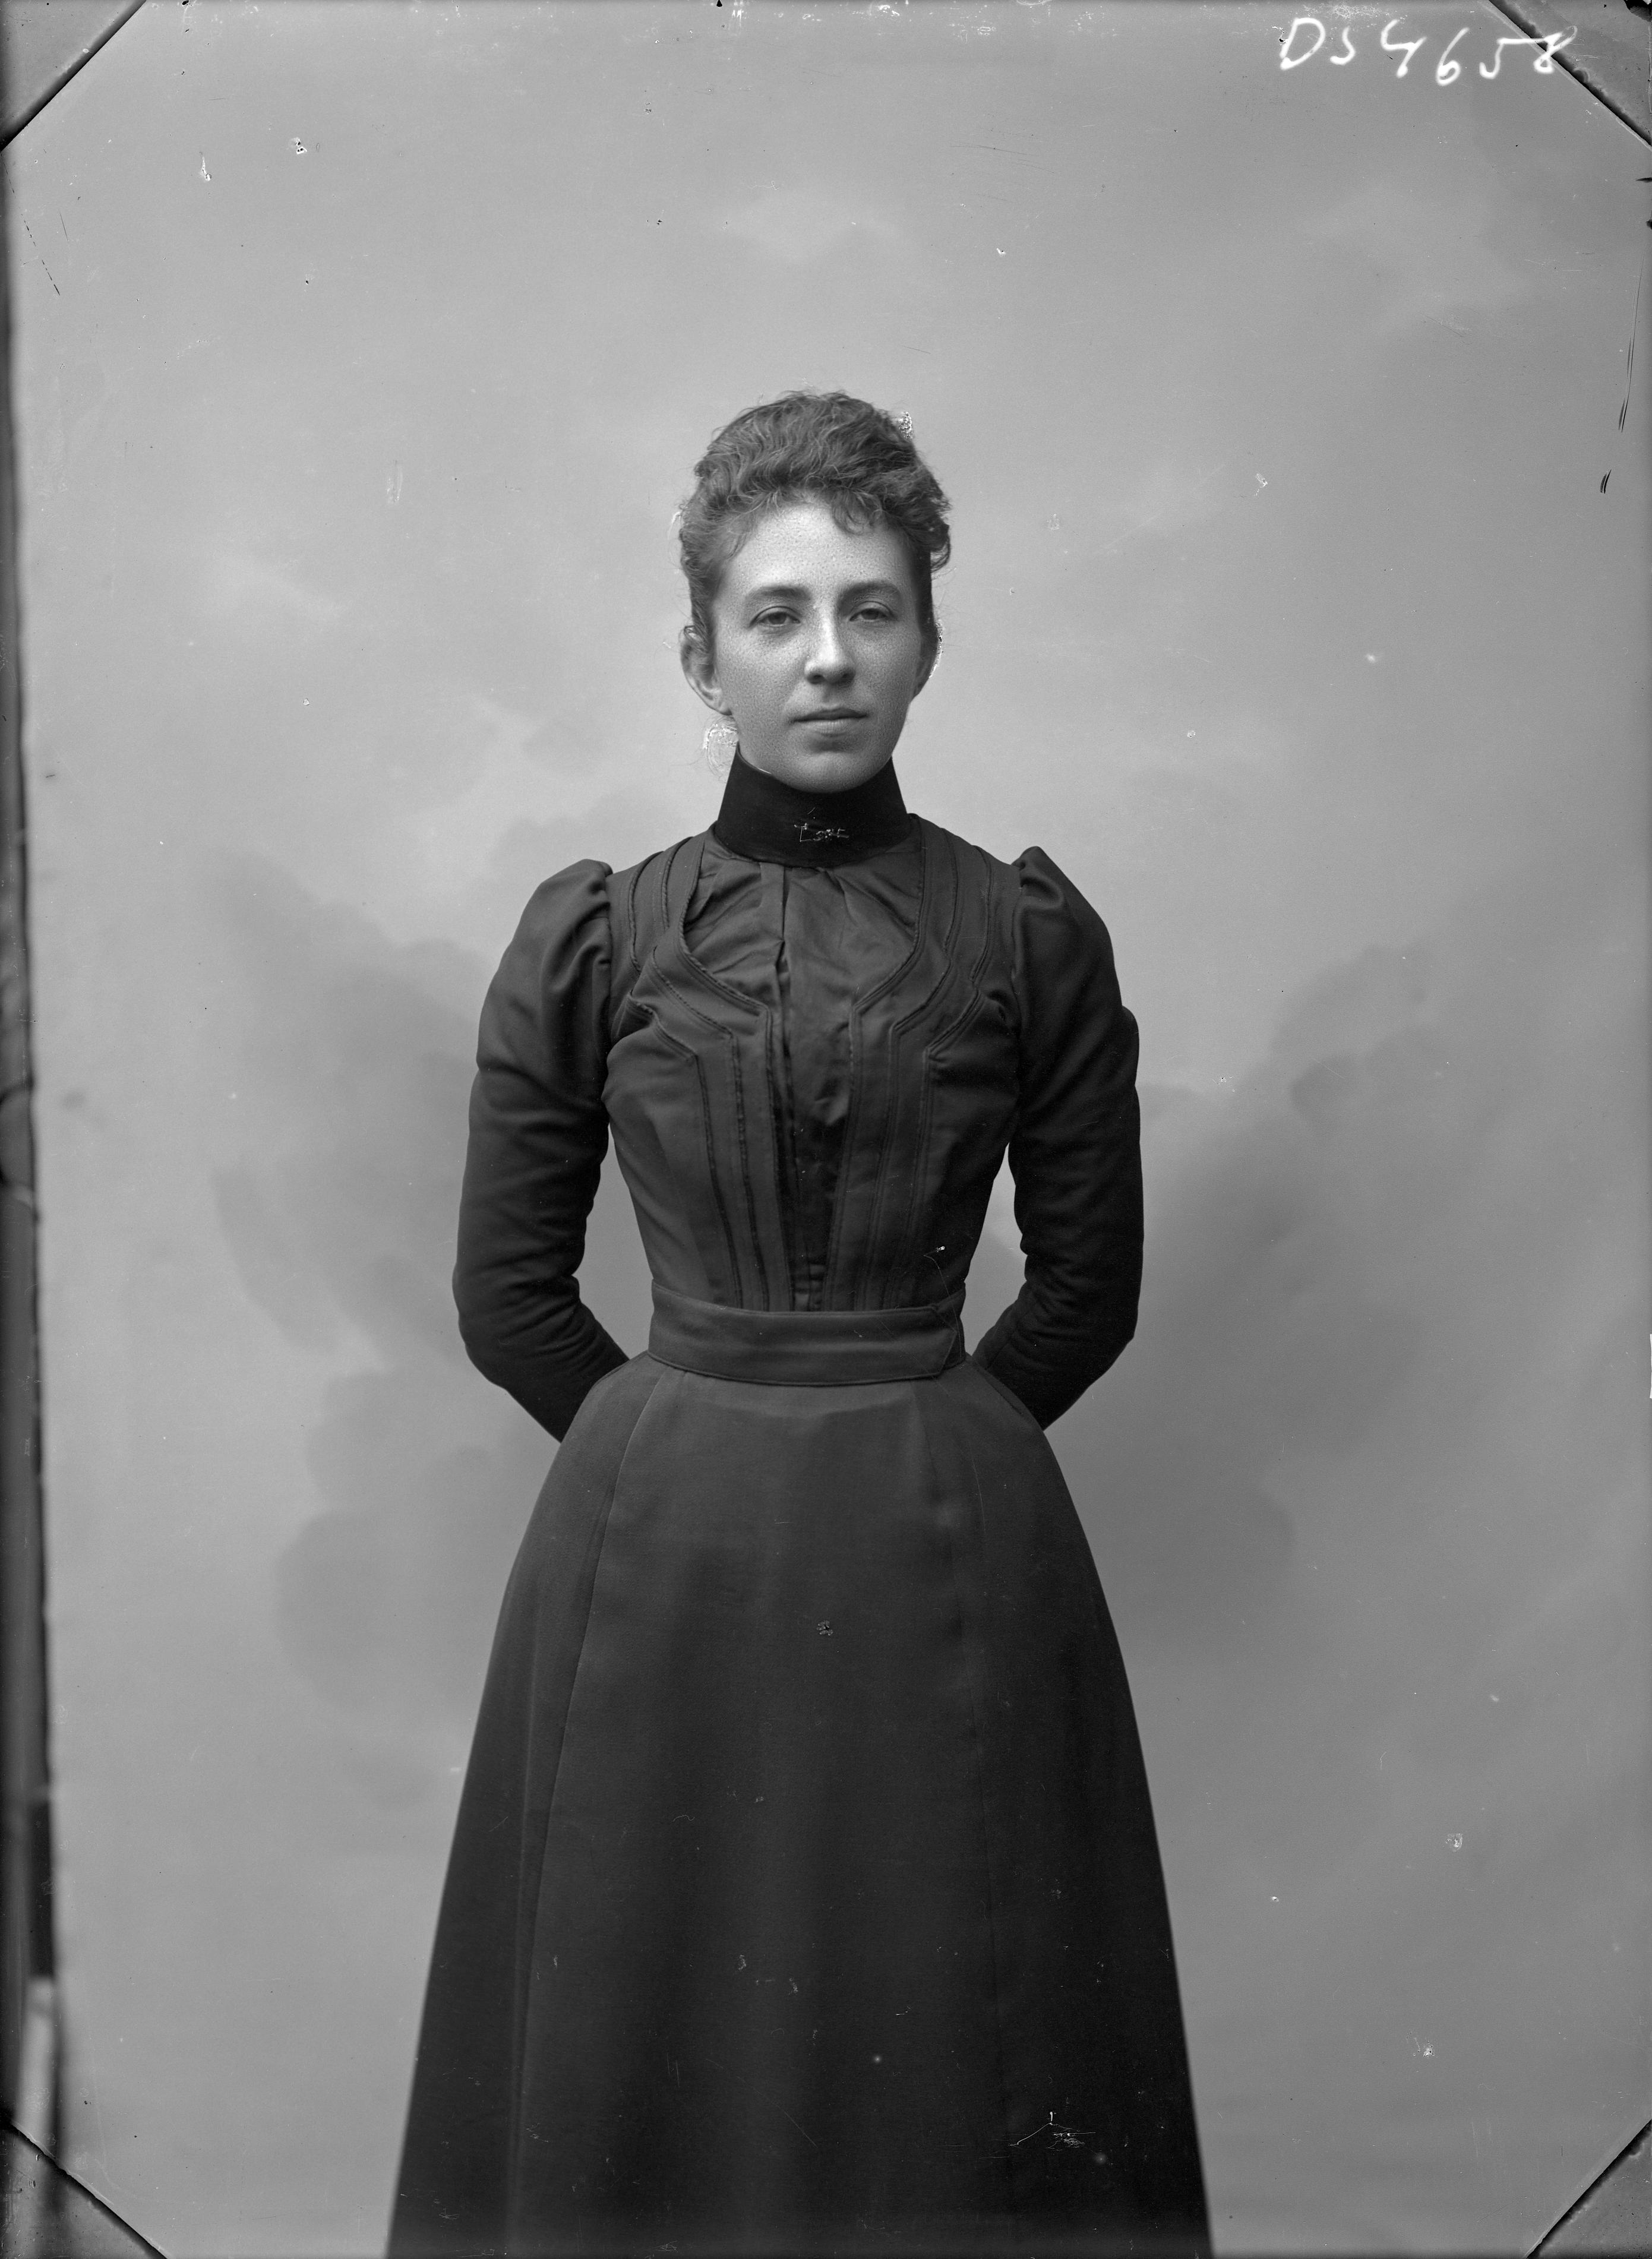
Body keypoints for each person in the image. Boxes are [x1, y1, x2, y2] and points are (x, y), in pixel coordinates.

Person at [389, 393, 1209, 2258]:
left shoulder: (1025, 937)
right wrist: (679, 1451)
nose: (828, 655)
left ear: (928, 639)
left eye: (871, 608)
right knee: (646, 2003)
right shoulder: (601, 938)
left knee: (964, 2013)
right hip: (658, 1559)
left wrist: (931, 1442)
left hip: (951, 1544)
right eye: (777, 614)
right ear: (704, 657)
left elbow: (1087, 1287)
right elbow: (510, 1296)